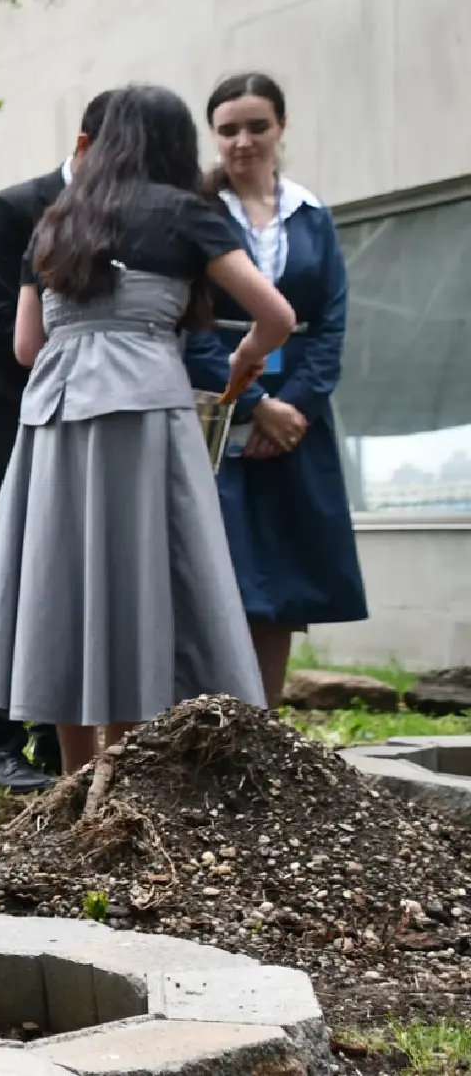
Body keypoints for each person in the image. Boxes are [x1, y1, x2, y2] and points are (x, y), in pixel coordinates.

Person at [0, 85, 296, 775]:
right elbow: (277, 314)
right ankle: (128, 771)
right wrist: (246, 355)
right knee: (140, 581)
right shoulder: (186, 214)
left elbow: (26, 348)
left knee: (61, 586)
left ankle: (80, 780)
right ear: (176, 147)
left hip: (58, 416)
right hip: (145, 412)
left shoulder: (55, 220)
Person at [184, 72, 368, 706]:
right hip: (222, 407)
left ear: (281, 128)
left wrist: (295, 410)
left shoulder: (313, 215)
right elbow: (193, 324)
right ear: (213, 135)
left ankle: (263, 721)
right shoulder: (198, 214)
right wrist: (255, 405)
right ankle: (212, 718)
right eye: (228, 129)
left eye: (257, 126)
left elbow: (333, 321)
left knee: (285, 576)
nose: (243, 141)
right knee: (225, 570)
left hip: (299, 422)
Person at [0, 90, 114, 794]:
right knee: (0, 566)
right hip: (3, 412)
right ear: (83, 149)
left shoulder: (130, 222)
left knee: (71, 571)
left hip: (86, 420)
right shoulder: (12, 208)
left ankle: (63, 736)